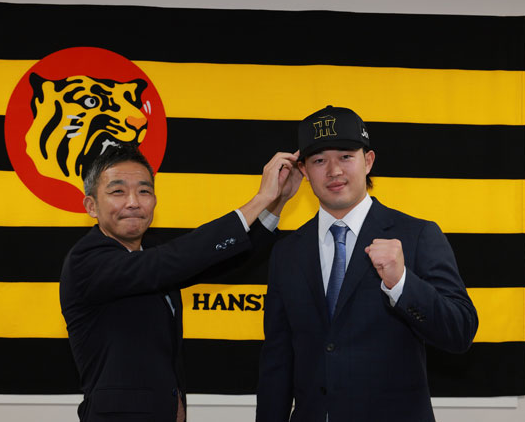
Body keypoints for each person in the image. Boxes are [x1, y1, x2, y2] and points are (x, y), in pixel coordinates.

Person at [256, 105, 478, 422]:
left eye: (346, 156)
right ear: (303, 171)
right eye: (319, 161)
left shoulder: (417, 235)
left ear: (368, 161)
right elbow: (277, 361)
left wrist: (401, 283)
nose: (334, 171)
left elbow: (460, 331)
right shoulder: (287, 252)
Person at [60, 144, 302, 422]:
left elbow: (221, 262)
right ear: (91, 206)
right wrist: (260, 199)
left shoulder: (150, 251)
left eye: (144, 191)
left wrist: (277, 203)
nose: (133, 202)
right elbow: (176, 259)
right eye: (118, 192)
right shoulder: (86, 261)